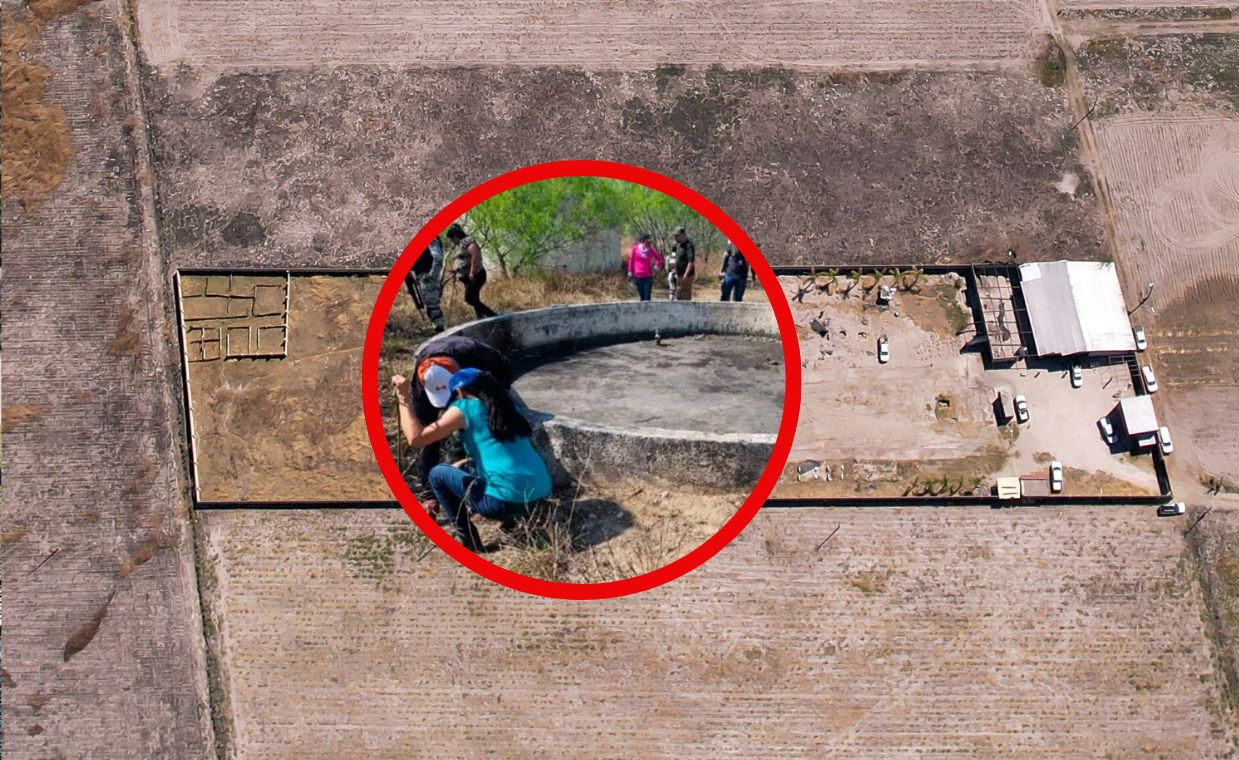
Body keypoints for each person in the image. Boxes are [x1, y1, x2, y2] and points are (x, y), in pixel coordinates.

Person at [392, 368, 552, 551]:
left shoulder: (464, 408)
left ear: (459, 392)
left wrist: (403, 396)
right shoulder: (508, 409)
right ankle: (516, 522)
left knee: (437, 474)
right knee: (467, 467)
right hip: (540, 496)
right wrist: (461, 464)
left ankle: (470, 542)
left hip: (502, 503)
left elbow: (416, 439)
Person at [407, 335, 514, 511]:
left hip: (480, 379)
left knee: (486, 424)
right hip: (447, 386)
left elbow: (505, 370)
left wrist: (497, 402)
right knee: (434, 433)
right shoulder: (420, 388)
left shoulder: (473, 353)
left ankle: (484, 471)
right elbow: (425, 439)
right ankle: (435, 489)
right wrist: (429, 492)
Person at [445, 223, 498, 320]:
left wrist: (472, 272)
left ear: (456, 236)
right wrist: (456, 270)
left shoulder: (467, 241)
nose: (452, 241)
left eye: (451, 239)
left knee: (469, 298)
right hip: (468, 277)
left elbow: (475, 254)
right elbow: (464, 259)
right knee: (474, 298)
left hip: (476, 275)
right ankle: (481, 318)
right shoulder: (461, 244)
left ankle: (492, 315)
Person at [404, 236, 446, 332]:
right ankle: (438, 328)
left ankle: (440, 329)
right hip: (420, 274)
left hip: (427, 274)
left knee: (432, 304)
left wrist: (432, 274)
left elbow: (438, 257)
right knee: (428, 304)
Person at [626, 233, 665, 302]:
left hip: (648, 276)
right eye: (647, 242)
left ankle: (649, 311)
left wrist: (655, 267)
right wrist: (630, 273)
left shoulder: (651, 250)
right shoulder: (635, 249)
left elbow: (660, 259)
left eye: (650, 242)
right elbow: (630, 261)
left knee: (647, 297)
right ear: (642, 241)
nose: (649, 244)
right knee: (642, 296)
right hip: (637, 276)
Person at [667, 226, 696, 300]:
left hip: (686, 275)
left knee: (685, 295)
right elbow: (673, 257)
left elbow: (691, 262)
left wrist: (685, 275)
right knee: (678, 294)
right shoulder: (677, 245)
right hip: (677, 275)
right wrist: (672, 269)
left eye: (677, 236)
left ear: (682, 235)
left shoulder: (689, 246)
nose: (675, 237)